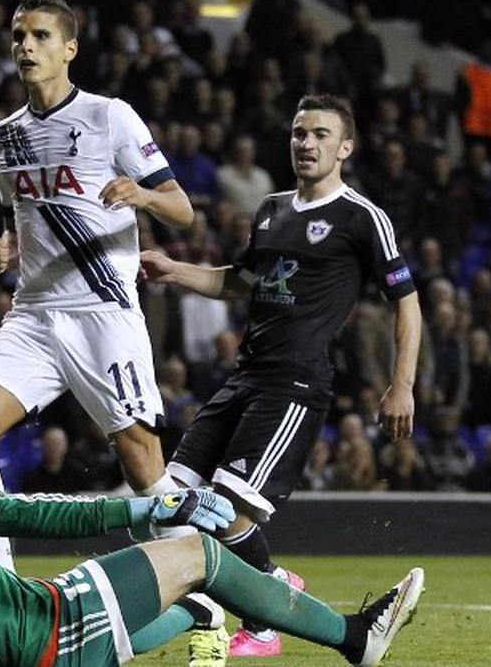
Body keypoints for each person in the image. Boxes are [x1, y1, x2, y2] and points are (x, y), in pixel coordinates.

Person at [0, 253, 424, 667]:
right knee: (200, 557)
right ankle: (351, 638)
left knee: (154, 600)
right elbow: (34, 513)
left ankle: (202, 617)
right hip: (43, 637)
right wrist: (152, 504)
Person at [141, 94, 423, 657]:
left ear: (345, 147)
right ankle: (273, 583)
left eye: (320, 134)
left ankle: (265, 621)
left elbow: (407, 301)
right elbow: (240, 281)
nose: (306, 143)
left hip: (293, 386)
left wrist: (403, 384)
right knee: (169, 502)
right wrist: (176, 271)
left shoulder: (361, 217)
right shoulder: (271, 209)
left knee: (225, 512)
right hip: (243, 378)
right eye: (299, 133)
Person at [0, 0, 194, 575]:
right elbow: (22, 223)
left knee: (143, 467)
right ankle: (0, 595)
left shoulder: (110, 117)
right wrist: (6, 251)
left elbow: (181, 207)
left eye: (40, 37)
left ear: (69, 49)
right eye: (18, 36)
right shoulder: (0, 138)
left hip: (103, 312)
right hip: (32, 315)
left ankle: (206, 598)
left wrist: (140, 194)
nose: (25, 47)